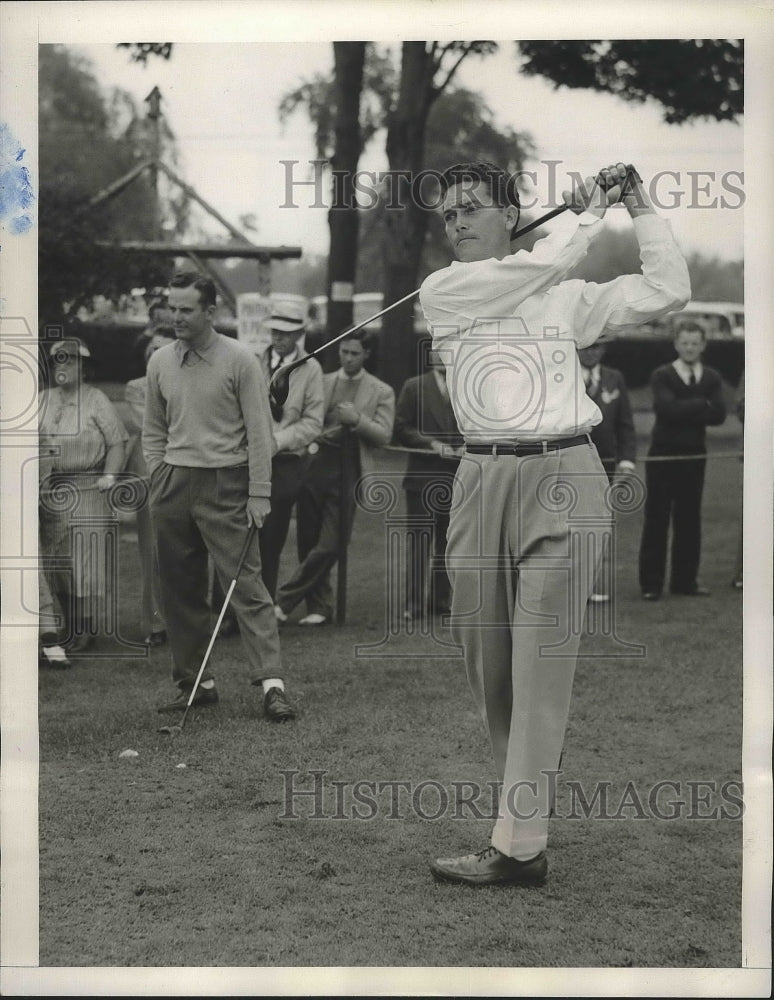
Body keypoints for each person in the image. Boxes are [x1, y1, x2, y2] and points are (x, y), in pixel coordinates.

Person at [418, 160, 690, 887]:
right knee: (490, 665)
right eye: (448, 215)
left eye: (472, 208)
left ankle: (518, 843)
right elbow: (538, 269)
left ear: (512, 214)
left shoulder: (563, 294)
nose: (457, 223)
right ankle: (524, 805)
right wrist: (586, 216)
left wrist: (635, 206)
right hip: (479, 480)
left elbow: (669, 290)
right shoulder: (445, 290)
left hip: (566, 476)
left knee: (540, 666)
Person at [143, 272, 296, 721]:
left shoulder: (241, 360)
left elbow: (260, 434)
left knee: (246, 586)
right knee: (179, 590)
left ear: (210, 312)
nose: (176, 317)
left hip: (227, 484)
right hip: (173, 485)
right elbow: (153, 430)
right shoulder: (159, 361)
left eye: (186, 309)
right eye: (172, 308)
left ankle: (272, 686)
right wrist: (158, 473)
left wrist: (259, 493)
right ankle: (196, 683)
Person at [215, 301, 324, 636]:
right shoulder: (252, 361)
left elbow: (313, 423)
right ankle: (224, 614)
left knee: (269, 542)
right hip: (242, 460)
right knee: (231, 538)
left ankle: (257, 619)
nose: (278, 337)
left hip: (285, 464)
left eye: (286, 332)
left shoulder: (311, 369)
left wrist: (278, 440)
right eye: (274, 330)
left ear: (300, 334)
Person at [274, 331, 395, 626]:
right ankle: (320, 605)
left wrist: (357, 420)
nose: (348, 358)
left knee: (332, 541)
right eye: (344, 352)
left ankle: (284, 600)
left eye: (355, 353)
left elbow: (384, 435)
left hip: (349, 469)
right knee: (308, 537)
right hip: (314, 463)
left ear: (366, 354)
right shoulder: (323, 381)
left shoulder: (381, 391)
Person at [38, 337, 129, 655]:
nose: (63, 365)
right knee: (56, 563)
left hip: (89, 488)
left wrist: (110, 476)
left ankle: (85, 627)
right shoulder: (42, 400)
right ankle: (67, 623)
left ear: (83, 367)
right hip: (50, 491)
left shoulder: (96, 399)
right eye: (57, 360)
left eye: (70, 360)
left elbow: (118, 442)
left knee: (84, 560)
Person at [638, 322, 726, 600]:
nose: (689, 348)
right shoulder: (662, 375)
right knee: (657, 519)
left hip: (695, 457)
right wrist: (701, 404)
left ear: (703, 345)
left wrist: (683, 407)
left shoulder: (711, 376)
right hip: (663, 456)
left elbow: (720, 415)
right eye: (685, 343)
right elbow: (667, 410)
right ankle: (651, 585)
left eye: (695, 343)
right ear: (676, 344)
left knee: (689, 519)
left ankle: (685, 582)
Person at [393, 349, 463, 620]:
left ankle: (440, 601)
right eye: (437, 351)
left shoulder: (466, 386)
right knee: (419, 542)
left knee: (448, 542)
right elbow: (401, 428)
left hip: (456, 478)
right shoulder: (414, 387)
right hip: (422, 478)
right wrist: (432, 445)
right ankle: (413, 603)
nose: (441, 356)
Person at [124, 326, 176, 646]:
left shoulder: (187, 385)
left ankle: (186, 620)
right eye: (154, 349)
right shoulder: (136, 388)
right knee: (153, 549)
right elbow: (153, 426)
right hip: (151, 472)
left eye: (166, 349)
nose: (158, 355)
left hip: (185, 471)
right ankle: (156, 623)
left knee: (184, 550)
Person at [576, 337, 636, 602]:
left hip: (606, 464)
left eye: (596, 347)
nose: (591, 353)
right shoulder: (563, 375)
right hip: (570, 461)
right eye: (586, 347)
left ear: (604, 348)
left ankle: (587, 586)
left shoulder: (615, 378)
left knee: (596, 526)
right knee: (564, 527)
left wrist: (626, 462)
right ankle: (565, 587)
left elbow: (625, 424)